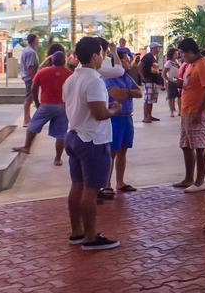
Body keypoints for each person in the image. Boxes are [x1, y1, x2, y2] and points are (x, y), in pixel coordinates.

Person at [63, 36, 120, 251]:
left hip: (74, 134)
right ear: (95, 55)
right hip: (92, 139)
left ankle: (77, 231)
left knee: (77, 185)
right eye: (102, 53)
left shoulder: (71, 79)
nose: (103, 57)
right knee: (91, 189)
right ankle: (90, 236)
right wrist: (114, 109)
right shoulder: (94, 80)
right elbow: (99, 113)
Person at [12, 46, 71, 164]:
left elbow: (34, 88)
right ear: (64, 61)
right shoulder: (69, 73)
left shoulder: (42, 72)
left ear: (51, 60)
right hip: (62, 106)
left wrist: (37, 102)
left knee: (33, 126)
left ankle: (27, 147)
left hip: (46, 105)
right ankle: (58, 159)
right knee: (61, 134)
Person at [174, 37, 205, 193]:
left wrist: (200, 111)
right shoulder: (191, 65)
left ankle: (199, 181)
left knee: (199, 145)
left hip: (197, 111)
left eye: (183, 54)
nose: (182, 57)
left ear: (191, 52)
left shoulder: (203, 65)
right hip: (187, 109)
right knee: (186, 145)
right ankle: (189, 177)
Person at [101, 53, 142, 198]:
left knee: (123, 151)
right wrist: (129, 92)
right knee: (111, 152)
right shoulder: (108, 78)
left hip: (127, 117)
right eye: (126, 60)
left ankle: (120, 182)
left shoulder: (126, 77)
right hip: (115, 119)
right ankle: (106, 184)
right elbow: (116, 95)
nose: (129, 62)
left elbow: (139, 92)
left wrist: (126, 92)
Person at [20, 33, 40, 127]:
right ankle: (26, 120)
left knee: (29, 98)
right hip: (29, 78)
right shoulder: (31, 52)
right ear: (34, 40)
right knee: (28, 98)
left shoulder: (28, 50)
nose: (38, 40)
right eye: (37, 38)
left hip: (28, 77)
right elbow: (30, 67)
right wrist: (34, 79)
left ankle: (28, 118)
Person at [139, 43, 161, 124]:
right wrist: (142, 77)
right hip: (148, 80)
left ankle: (149, 115)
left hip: (154, 80)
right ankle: (145, 116)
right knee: (148, 99)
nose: (158, 50)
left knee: (151, 99)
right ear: (153, 48)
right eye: (157, 48)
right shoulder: (147, 56)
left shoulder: (154, 57)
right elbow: (140, 66)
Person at [164, 47, 182, 117]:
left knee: (179, 96)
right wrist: (168, 79)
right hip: (171, 82)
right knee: (171, 97)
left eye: (177, 53)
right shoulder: (168, 63)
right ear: (171, 54)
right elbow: (164, 73)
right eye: (175, 54)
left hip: (178, 81)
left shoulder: (178, 61)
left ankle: (180, 110)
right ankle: (171, 111)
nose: (177, 55)